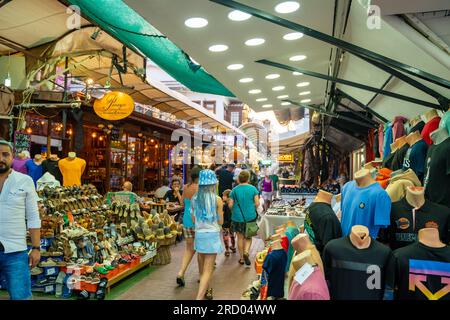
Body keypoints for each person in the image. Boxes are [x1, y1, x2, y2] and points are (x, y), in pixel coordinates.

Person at [0, 140, 41, 300]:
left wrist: (36, 247)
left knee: (20, 297)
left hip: (15, 252)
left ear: (12, 157)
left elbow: (33, 216)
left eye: (5, 154)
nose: (1, 158)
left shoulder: (25, 181)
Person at [192, 169, 224, 300]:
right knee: (208, 269)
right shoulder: (217, 199)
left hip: (199, 235)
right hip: (212, 235)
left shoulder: (195, 198)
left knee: (202, 269)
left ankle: (207, 289)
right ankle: (199, 298)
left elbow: (194, 219)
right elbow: (220, 221)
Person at [176, 166, 201, 287]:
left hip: (186, 220)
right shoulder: (201, 188)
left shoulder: (185, 187)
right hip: (198, 221)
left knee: (189, 248)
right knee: (201, 249)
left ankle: (181, 272)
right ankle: (202, 275)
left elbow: (182, 203)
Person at [228, 170, 260, 266]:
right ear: (248, 178)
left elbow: (230, 205)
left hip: (237, 217)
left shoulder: (234, 190)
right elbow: (257, 203)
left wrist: (234, 209)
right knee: (248, 237)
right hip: (250, 216)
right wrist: (251, 207)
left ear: (239, 179)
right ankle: (246, 252)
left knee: (240, 238)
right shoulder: (253, 189)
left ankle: (241, 258)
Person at [222, 189, 236, 257]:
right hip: (232, 222)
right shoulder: (232, 205)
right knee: (232, 235)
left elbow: (222, 214)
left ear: (227, 196)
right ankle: (233, 247)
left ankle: (227, 250)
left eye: (223, 196)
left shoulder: (224, 205)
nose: (222, 197)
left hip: (225, 223)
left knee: (225, 237)